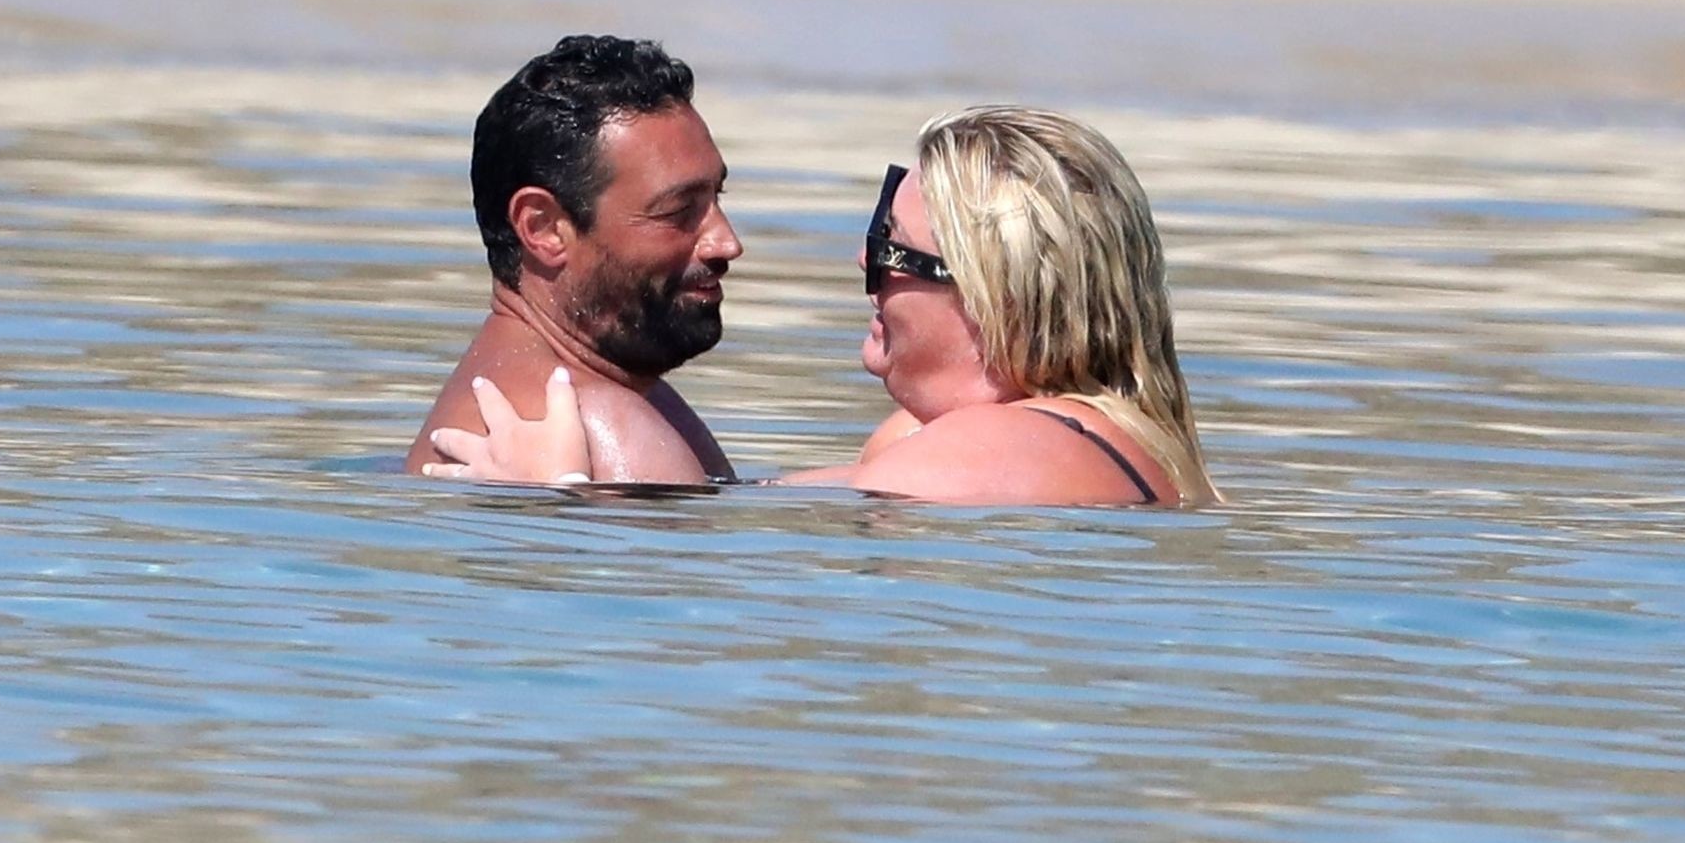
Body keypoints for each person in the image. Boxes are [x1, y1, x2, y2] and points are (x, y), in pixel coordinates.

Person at [426, 105, 1222, 507]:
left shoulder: (990, 454)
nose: (863, 263)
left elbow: (731, 589)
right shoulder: (1087, 438)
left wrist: (562, 496)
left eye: (889, 246)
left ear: (997, 299)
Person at [405, 35, 742, 482]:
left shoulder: (600, 399)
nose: (726, 242)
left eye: (716, 196)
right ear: (543, 228)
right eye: (678, 211)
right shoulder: (609, 426)